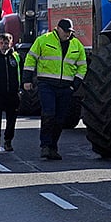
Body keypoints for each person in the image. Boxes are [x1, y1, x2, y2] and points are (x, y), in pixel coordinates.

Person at [23, 18, 87, 160]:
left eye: (70, 32)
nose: (68, 34)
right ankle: (45, 146)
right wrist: (27, 79)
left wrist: (75, 84)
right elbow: (30, 59)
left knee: (60, 119)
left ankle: (53, 147)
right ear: (58, 29)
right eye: (65, 31)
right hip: (47, 84)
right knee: (48, 114)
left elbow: (82, 66)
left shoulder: (77, 45)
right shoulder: (43, 40)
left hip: (66, 87)